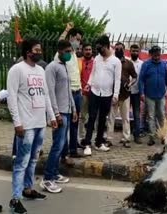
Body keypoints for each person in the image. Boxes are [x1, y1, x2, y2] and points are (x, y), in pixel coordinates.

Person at [7, 38, 57, 214]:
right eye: (36, 50)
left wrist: (51, 116)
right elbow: (12, 97)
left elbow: (46, 95)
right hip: (26, 125)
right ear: (28, 51)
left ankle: (27, 189)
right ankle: (15, 199)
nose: (40, 52)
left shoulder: (41, 71)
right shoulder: (17, 70)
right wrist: (17, 122)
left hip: (39, 123)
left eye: (40, 50)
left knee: (34, 159)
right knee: (21, 162)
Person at [41, 40, 78, 193]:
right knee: (57, 146)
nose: (70, 54)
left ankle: (55, 173)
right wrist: (55, 114)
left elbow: (67, 90)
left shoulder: (64, 66)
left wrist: (74, 109)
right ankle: (47, 179)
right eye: (67, 51)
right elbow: (50, 92)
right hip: (59, 112)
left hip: (67, 110)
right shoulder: (51, 67)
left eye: (71, 51)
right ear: (60, 51)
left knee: (62, 144)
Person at [81, 35, 121, 155]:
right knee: (91, 117)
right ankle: (87, 143)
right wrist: (89, 83)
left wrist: (116, 95)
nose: (99, 52)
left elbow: (117, 79)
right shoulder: (97, 59)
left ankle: (99, 143)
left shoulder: (116, 61)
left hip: (107, 94)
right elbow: (93, 73)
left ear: (107, 46)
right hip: (94, 91)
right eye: (97, 49)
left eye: (101, 49)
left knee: (103, 119)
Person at [58, 23, 83, 164]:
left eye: (79, 40)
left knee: (75, 123)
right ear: (71, 37)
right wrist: (66, 29)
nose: (78, 42)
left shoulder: (74, 55)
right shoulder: (64, 54)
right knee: (65, 126)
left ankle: (73, 150)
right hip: (67, 94)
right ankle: (64, 153)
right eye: (77, 39)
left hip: (77, 92)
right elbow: (60, 42)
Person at [139, 45, 167, 146]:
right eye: (155, 55)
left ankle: (163, 137)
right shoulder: (146, 65)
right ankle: (152, 137)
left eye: (158, 55)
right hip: (149, 95)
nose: (157, 57)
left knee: (161, 116)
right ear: (151, 54)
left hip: (161, 95)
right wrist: (141, 93)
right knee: (151, 117)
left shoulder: (163, 64)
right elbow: (141, 80)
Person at [106, 42, 137, 148]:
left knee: (125, 118)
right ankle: (109, 139)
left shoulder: (128, 63)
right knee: (111, 117)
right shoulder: (111, 62)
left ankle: (126, 138)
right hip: (113, 95)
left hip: (125, 95)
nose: (119, 50)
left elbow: (134, 77)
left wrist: (130, 84)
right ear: (114, 49)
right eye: (117, 49)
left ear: (124, 50)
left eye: (121, 49)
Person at [78, 43, 94, 146]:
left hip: (94, 93)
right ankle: (81, 137)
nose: (88, 51)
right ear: (83, 51)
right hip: (83, 93)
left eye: (89, 49)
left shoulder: (96, 62)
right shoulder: (79, 62)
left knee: (92, 117)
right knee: (82, 116)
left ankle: (90, 137)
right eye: (86, 49)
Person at [130, 44, 144, 143]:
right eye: (133, 51)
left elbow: (142, 79)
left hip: (137, 92)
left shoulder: (142, 64)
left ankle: (137, 135)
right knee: (125, 115)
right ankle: (125, 136)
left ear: (138, 52)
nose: (135, 53)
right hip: (126, 92)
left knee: (136, 114)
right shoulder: (126, 62)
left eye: (136, 51)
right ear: (130, 51)